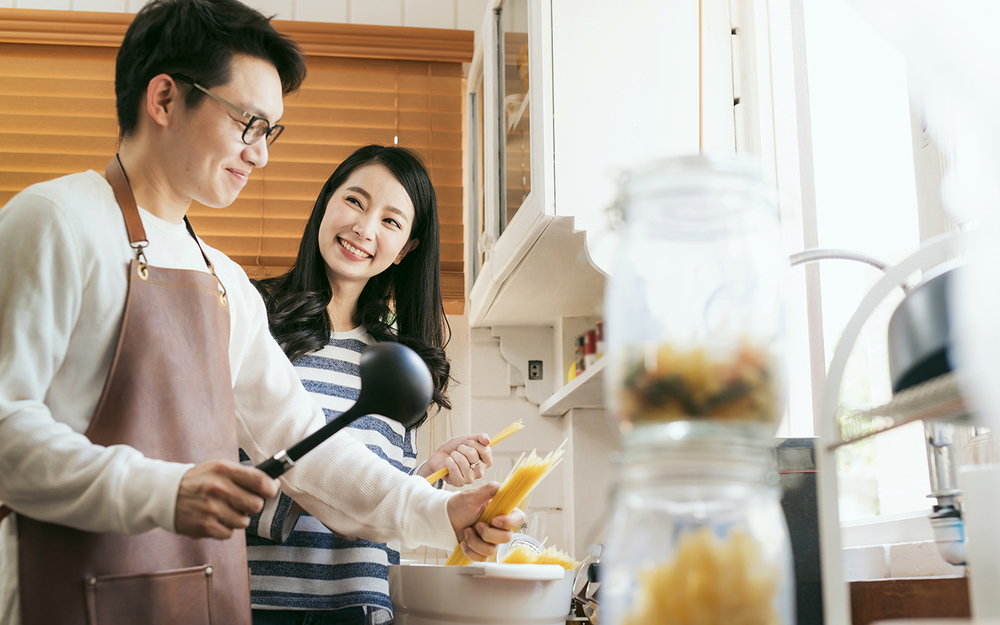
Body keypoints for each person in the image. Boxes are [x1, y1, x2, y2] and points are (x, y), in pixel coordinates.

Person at [0, 2, 520, 624]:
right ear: (164, 99)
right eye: (248, 123)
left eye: (270, 132)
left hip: (197, 600)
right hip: (67, 597)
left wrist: (438, 511)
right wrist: (165, 491)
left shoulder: (224, 282)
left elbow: (310, 450)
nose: (260, 155)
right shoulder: (54, 221)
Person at [247, 145, 492, 624]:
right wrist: (327, 495)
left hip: (360, 606)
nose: (364, 228)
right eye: (355, 201)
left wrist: (428, 478)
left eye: (391, 221)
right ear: (327, 202)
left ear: (406, 250)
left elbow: (384, 510)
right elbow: (216, 460)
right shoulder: (254, 317)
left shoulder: (398, 361)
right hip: (256, 602)